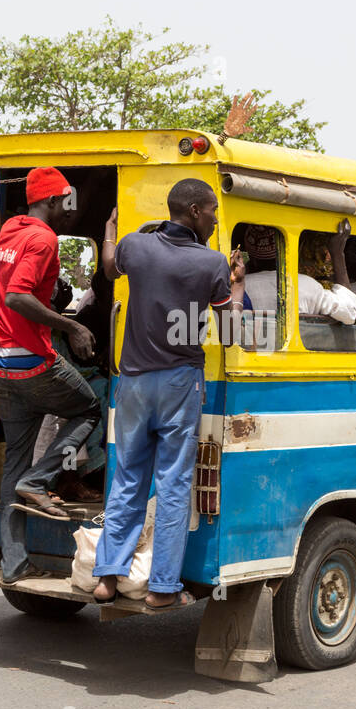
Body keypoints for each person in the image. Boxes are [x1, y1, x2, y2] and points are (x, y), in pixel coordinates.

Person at [92, 178, 245, 609]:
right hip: (179, 382)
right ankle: (162, 588)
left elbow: (108, 266)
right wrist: (236, 285)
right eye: (213, 209)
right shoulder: (213, 263)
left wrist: (110, 229)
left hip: (134, 383)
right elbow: (230, 332)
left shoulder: (135, 248)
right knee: (174, 485)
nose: (216, 217)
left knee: (127, 478)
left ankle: (107, 576)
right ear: (195, 211)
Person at [0, 166, 102, 583]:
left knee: (14, 464)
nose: (69, 209)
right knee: (89, 408)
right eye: (65, 202)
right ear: (54, 201)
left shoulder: (9, 230)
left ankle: (13, 564)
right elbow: (17, 295)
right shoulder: (43, 238)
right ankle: (40, 479)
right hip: (29, 358)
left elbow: (13, 288)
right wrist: (71, 325)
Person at [242, 222, 356, 324]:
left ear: (252, 258)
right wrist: (337, 254)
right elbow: (350, 312)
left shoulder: (235, 287)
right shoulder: (305, 285)